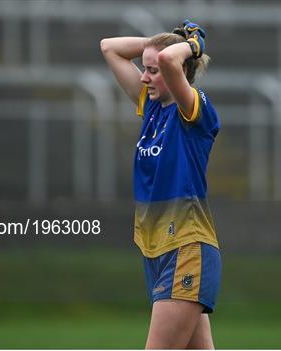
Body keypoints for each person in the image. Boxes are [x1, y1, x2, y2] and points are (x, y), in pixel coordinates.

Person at [100, 19, 222, 349]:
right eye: (144, 68)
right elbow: (108, 47)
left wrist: (192, 46)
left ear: (176, 69)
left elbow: (170, 61)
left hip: (185, 246)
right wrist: (159, 43)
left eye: (152, 70)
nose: (143, 76)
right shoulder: (152, 108)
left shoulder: (194, 110)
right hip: (155, 249)